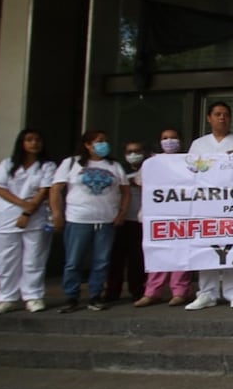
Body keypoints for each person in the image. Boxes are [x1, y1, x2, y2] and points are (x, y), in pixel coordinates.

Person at [50, 130, 130, 313]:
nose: (104, 144)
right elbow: (56, 189)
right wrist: (57, 214)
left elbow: (125, 192)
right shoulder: (71, 163)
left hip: (105, 220)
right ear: (87, 144)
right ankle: (71, 296)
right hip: (78, 219)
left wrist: (121, 213)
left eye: (105, 141)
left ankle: (95, 295)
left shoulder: (114, 165)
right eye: (99, 141)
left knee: (101, 261)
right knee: (73, 261)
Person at [185, 102, 233, 310]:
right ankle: (207, 293)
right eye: (217, 114)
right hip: (207, 203)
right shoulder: (198, 144)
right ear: (209, 118)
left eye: (225, 114)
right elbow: (190, 172)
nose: (222, 118)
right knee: (207, 247)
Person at [0, 128, 56, 314]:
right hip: (6, 216)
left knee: (34, 259)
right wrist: (22, 204)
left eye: (38, 140)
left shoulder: (47, 166)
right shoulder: (8, 164)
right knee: (5, 260)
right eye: (29, 140)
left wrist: (28, 211)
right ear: (22, 143)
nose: (34, 143)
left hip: (35, 218)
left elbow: (44, 190)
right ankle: (6, 298)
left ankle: (33, 296)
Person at [135, 128, 193, 307]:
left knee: (182, 253)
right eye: (165, 138)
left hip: (183, 214)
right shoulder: (152, 163)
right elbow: (141, 183)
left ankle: (179, 291)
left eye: (173, 138)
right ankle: (152, 292)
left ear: (181, 141)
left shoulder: (188, 161)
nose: (169, 141)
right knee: (158, 252)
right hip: (158, 215)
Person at [105, 140, 147, 302]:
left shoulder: (150, 168)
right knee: (116, 258)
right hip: (121, 218)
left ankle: (137, 290)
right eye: (130, 152)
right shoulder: (118, 169)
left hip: (140, 219)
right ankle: (112, 291)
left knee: (138, 258)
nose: (134, 154)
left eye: (137, 151)